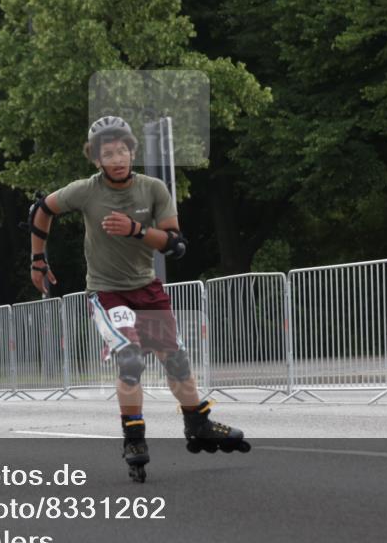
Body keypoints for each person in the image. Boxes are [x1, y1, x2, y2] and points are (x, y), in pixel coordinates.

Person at [27, 116, 248, 483]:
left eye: (122, 151)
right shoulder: (85, 190)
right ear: (96, 159)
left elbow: (176, 245)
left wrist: (137, 230)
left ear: (132, 152)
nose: (116, 159)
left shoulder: (154, 189)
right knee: (130, 358)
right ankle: (134, 438)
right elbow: (42, 209)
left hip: (147, 289)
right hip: (107, 292)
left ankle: (198, 423)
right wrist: (37, 260)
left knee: (175, 360)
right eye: (107, 153)